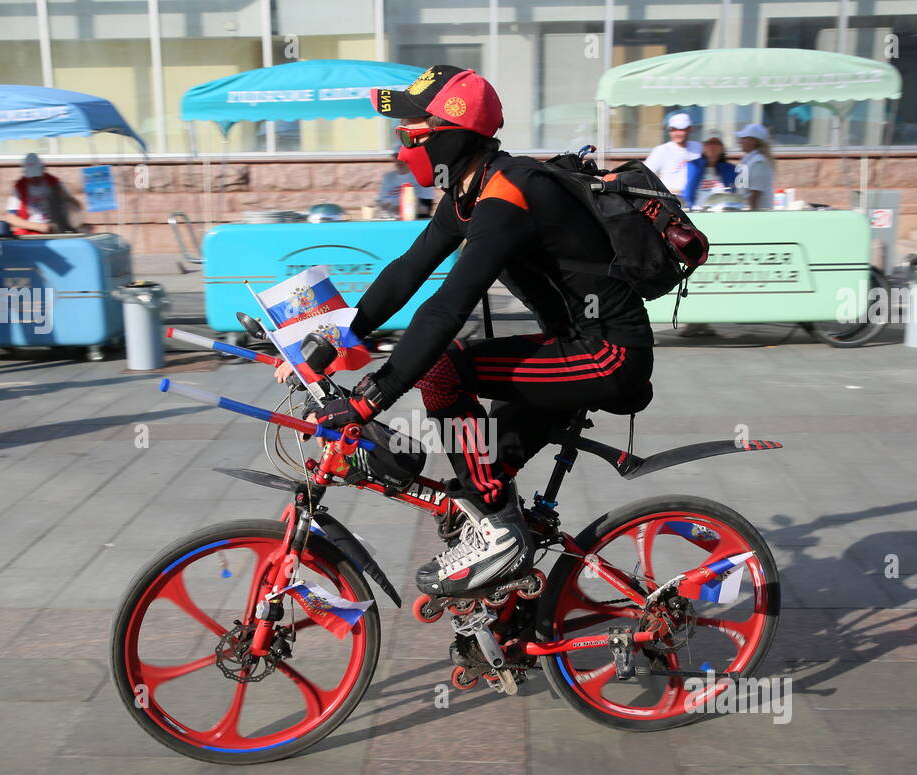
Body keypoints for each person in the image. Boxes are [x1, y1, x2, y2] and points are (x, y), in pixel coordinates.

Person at [278, 65, 655, 598]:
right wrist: (335, 340)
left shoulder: (509, 192)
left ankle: (501, 534)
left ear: (450, 134)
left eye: (410, 129)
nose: (400, 140)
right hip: (570, 347)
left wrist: (370, 398)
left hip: (607, 353)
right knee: (478, 468)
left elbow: (445, 307)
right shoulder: (468, 192)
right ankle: (508, 602)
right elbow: (407, 272)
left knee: (443, 366)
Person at [2, 153, 86, 235]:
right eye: (32, 177)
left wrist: (74, 219)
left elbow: (72, 203)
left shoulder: (54, 183)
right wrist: (38, 226)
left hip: (55, 230)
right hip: (29, 232)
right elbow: (11, 218)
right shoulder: (19, 187)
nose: (35, 179)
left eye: (37, 176)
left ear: (42, 170)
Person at [642, 112, 701, 199]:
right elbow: (643, 174)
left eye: (681, 129)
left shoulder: (699, 148)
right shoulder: (661, 150)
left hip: (694, 200)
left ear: (690, 129)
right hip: (670, 200)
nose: (677, 133)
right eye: (673, 129)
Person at [683, 132, 737, 209]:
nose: (713, 146)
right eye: (709, 143)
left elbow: (735, 197)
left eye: (716, 143)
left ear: (722, 148)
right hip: (696, 214)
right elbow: (685, 196)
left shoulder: (731, 170)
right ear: (703, 147)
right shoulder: (692, 167)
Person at [733, 123, 775, 211]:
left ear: (753, 141)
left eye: (744, 138)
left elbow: (755, 195)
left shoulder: (759, 162)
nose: (740, 141)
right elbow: (743, 189)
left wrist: (751, 218)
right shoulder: (748, 160)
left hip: (756, 216)